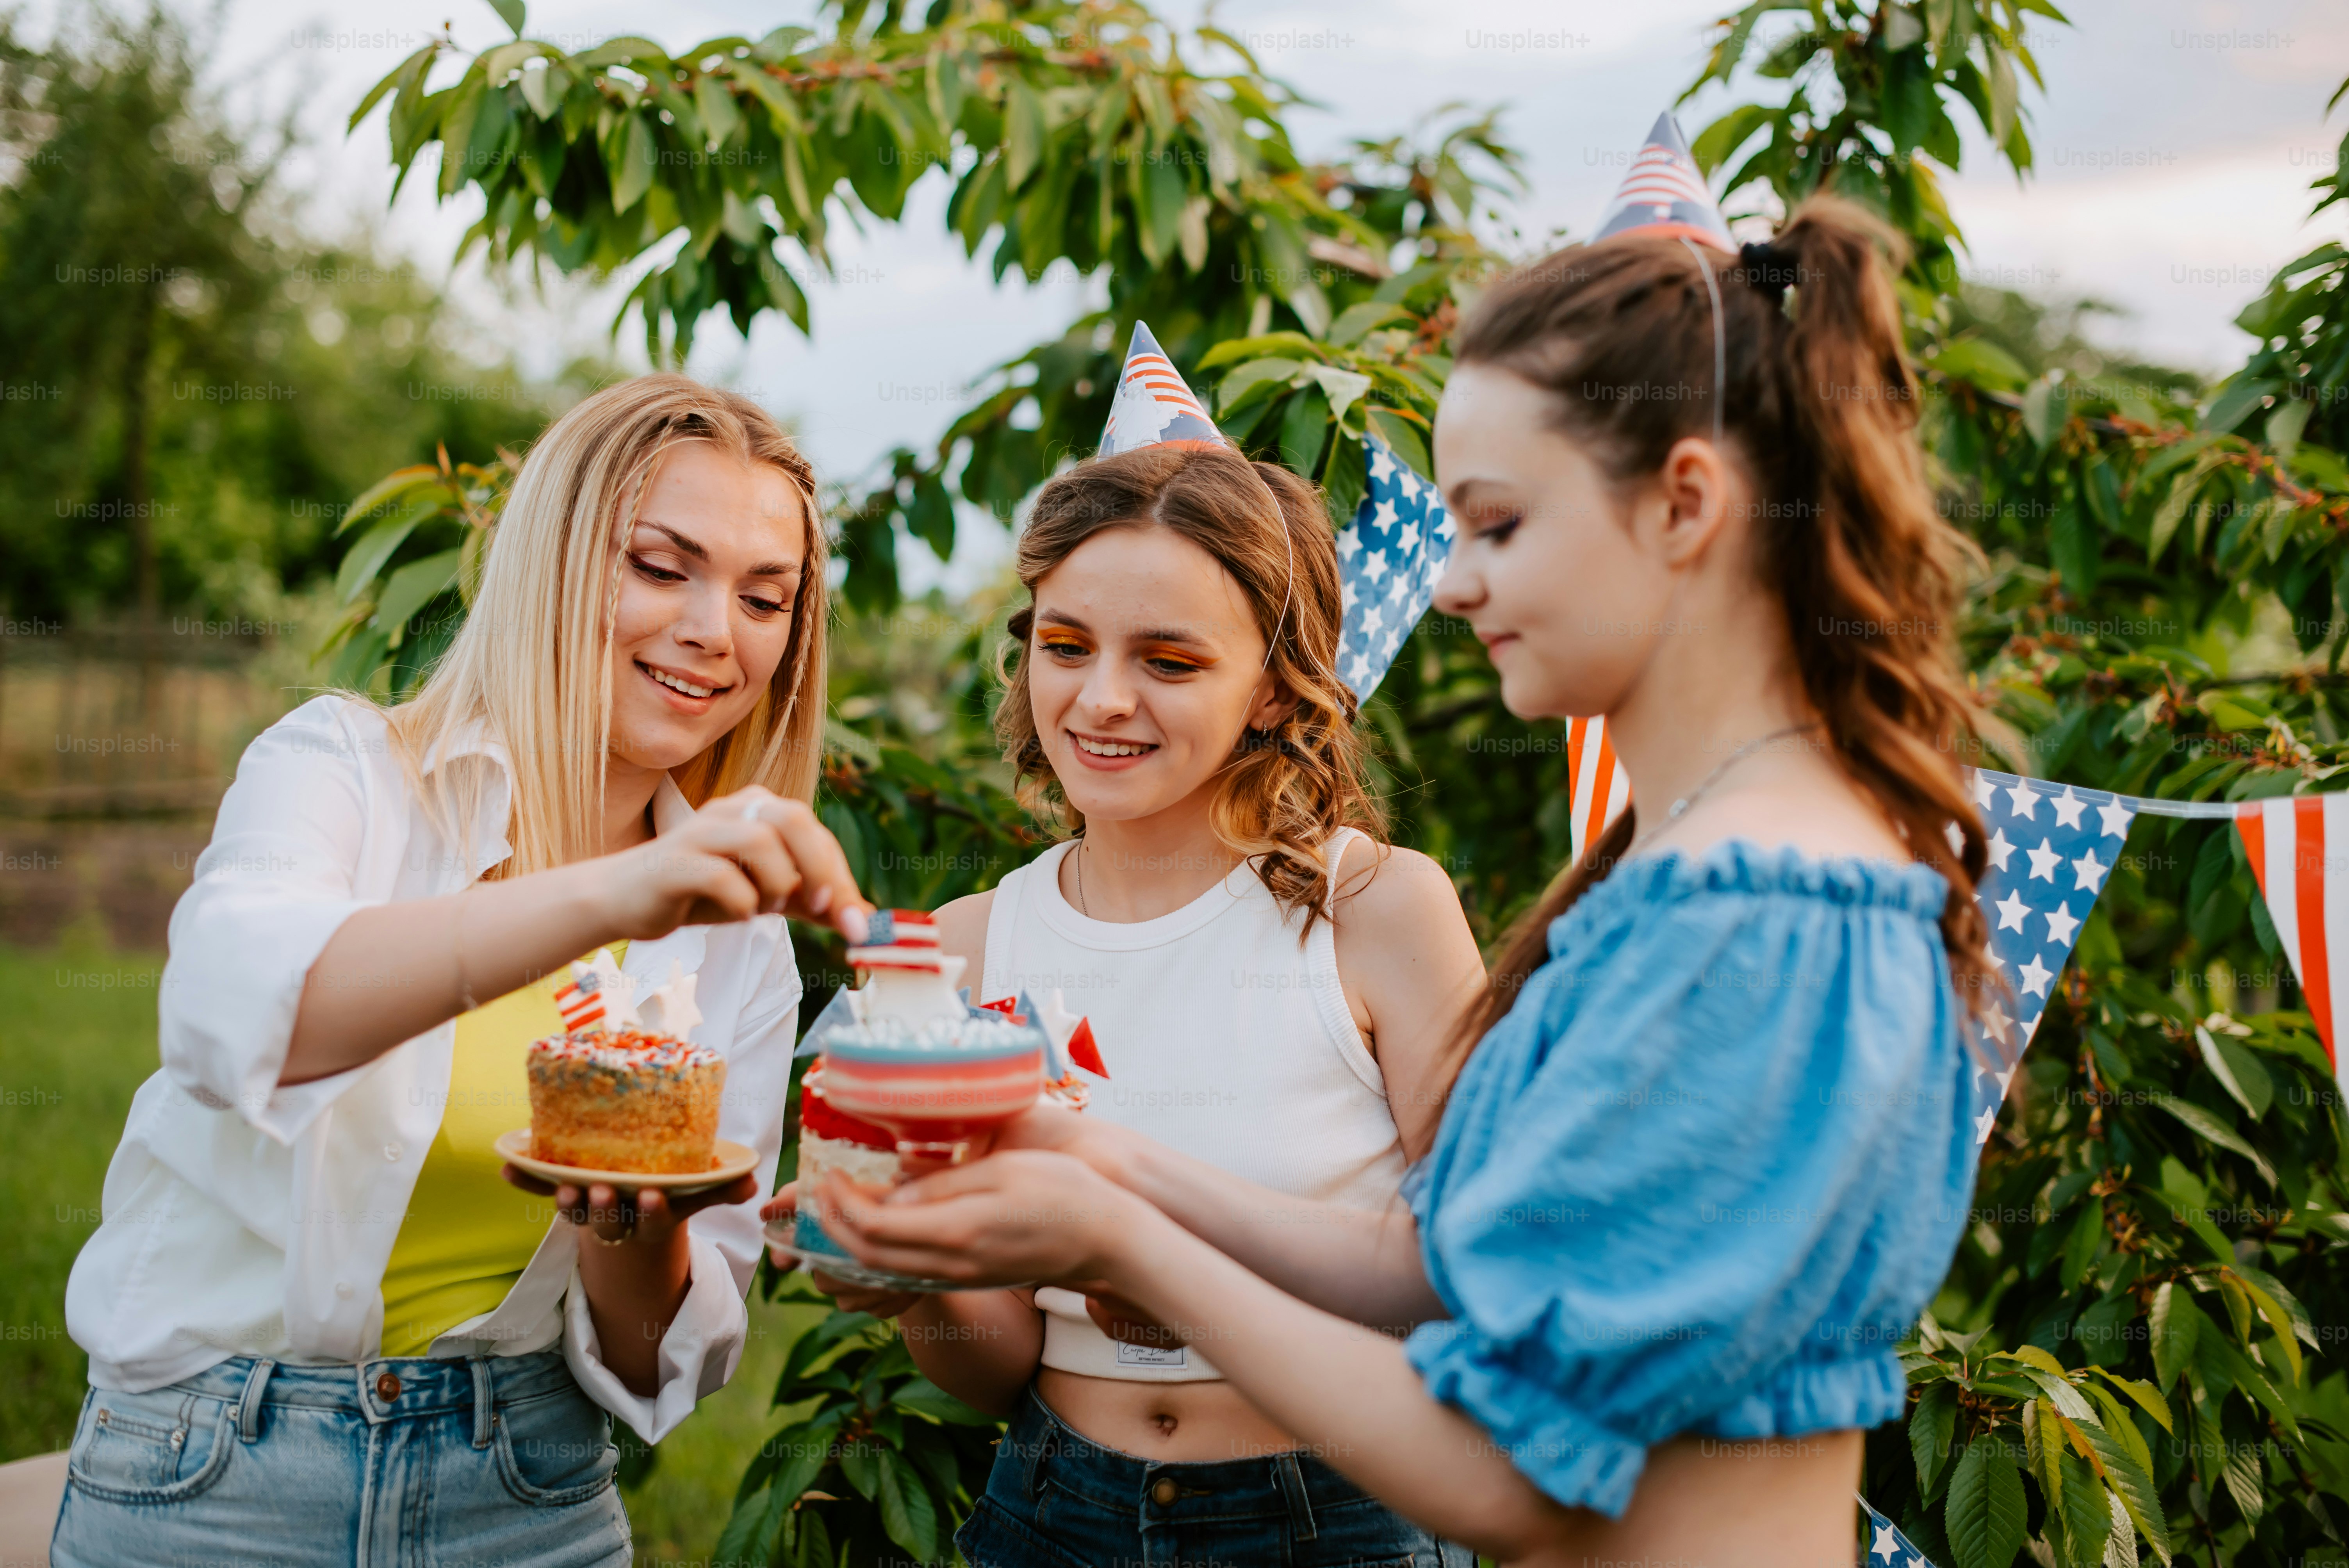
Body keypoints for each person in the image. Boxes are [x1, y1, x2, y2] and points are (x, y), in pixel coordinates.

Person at [811, 196, 2000, 1566]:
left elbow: (1512, 1470)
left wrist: (1123, 1239)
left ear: (1683, 505)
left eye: (1496, 525)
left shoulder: (1762, 916)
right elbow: (1445, 1264)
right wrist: (1101, 1165)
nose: (1447, 585)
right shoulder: (1701, 876)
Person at [53, 375, 871, 1568]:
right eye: (660, 567)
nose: (716, 630)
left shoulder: (736, 941)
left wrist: (631, 1229)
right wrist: (620, 889)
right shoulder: (344, 772)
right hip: (214, 1469)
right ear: (550, 559)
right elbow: (240, 1017)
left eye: (766, 597)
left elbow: (662, 1364)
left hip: (523, 1489)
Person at [769, 440, 1487, 1567]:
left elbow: (1476, 1278)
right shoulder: (955, 952)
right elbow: (995, 1364)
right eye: (1066, 647)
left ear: (1270, 691)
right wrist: (906, 1280)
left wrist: (1184, 1278)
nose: (1102, 699)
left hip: (1341, 1513)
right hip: (1057, 1509)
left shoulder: (1377, 911)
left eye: (1170, 660)